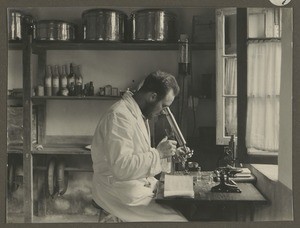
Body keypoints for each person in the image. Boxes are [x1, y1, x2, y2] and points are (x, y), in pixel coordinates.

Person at [91, 70, 188, 222]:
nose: (163, 112)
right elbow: (121, 168)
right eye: (164, 106)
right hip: (118, 192)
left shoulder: (136, 113)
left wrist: (166, 154)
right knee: (179, 221)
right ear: (152, 97)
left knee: (184, 209)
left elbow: (137, 153)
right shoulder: (119, 116)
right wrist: (158, 154)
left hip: (134, 185)